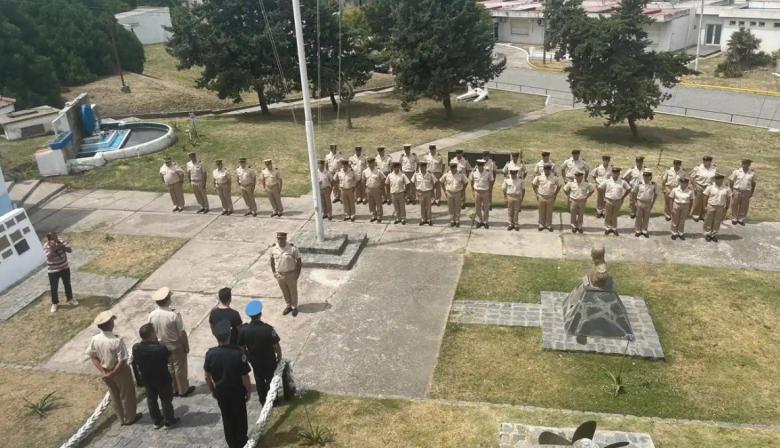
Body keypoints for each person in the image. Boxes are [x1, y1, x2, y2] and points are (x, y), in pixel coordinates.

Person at [86, 311, 141, 426]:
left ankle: (121, 419)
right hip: (120, 372)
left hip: (106, 371)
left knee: (115, 396)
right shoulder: (116, 341)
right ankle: (130, 417)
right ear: (110, 324)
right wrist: (113, 373)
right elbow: (122, 360)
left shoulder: (95, 339)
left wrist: (103, 371)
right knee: (127, 395)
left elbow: (93, 357)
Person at [205, 320, 252, 448]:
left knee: (227, 419)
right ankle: (242, 442)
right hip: (236, 392)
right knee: (240, 418)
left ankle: (232, 443)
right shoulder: (237, 353)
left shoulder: (210, 354)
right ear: (230, 335)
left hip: (221, 393)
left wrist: (213, 391)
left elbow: (207, 377)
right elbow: (245, 377)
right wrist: (248, 391)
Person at [147, 287, 195, 397]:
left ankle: (173, 389)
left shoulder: (152, 315)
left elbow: (151, 331)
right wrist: (186, 346)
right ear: (167, 300)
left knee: (169, 367)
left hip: (161, 346)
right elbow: (181, 333)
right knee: (179, 368)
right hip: (175, 345)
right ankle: (183, 390)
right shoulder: (173, 315)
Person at [131, 323, 180, 430]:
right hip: (162, 379)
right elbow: (169, 359)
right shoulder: (160, 348)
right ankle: (169, 421)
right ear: (151, 334)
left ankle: (157, 421)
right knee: (166, 400)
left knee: (151, 400)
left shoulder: (136, 348)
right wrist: (160, 344)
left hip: (147, 379)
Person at [238, 300, 282, 405]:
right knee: (271, 379)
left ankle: (262, 400)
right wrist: (279, 356)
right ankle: (273, 400)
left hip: (255, 361)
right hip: (269, 360)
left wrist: (247, 357)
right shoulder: (268, 329)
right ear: (260, 314)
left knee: (259, 379)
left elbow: (242, 347)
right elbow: (276, 346)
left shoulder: (243, 330)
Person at [43, 232, 77, 313]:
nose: (55, 239)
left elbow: (70, 250)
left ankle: (70, 299)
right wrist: (54, 248)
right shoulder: (46, 246)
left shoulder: (61, 241)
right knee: (54, 288)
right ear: (49, 240)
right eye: (53, 238)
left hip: (64, 267)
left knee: (67, 284)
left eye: (56, 237)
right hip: (53, 270)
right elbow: (49, 257)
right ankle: (55, 303)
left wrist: (62, 246)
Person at [270, 232, 302, 317]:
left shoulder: (292, 248)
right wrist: (274, 273)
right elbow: (272, 261)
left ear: (285, 238)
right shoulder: (274, 248)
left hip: (290, 274)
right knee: (285, 291)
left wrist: (297, 275)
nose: (280, 240)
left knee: (293, 292)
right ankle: (288, 305)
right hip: (280, 275)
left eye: (281, 238)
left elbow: (299, 262)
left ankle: (294, 307)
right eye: (278, 238)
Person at [598, 167, 631, 236]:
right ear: (612, 173)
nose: (615, 174)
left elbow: (628, 189)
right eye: (614, 173)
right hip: (609, 200)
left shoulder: (622, 182)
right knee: (608, 215)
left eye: (617, 173)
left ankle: (614, 228)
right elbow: (600, 188)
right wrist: (604, 196)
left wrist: (623, 197)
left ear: (619, 173)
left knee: (615, 215)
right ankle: (607, 228)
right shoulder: (607, 181)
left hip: (618, 201)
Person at [702, 173, 732, 242]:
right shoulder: (710, 187)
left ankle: (714, 234)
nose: (719, 180)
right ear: (715, 179)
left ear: (722, 179)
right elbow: (705, 197)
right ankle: (707, 234)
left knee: (717, 221)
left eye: (720, 179)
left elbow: (728, 198)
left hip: (720, 207)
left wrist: (727, 206)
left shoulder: (726, 188)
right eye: (717, 179)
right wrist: (704, 206)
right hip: (711, 206)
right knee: (708, 220)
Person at [532, 164, 560, 232]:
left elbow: (559, 186)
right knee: (541, 211)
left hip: (550, 197)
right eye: (545, 169)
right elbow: (533, 184)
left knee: (549, 211)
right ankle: (541, 224)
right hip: (541, 196)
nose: (547, 171)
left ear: (550, 170)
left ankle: (548, 225)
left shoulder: (554, 177)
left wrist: (555, 194)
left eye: (548, 169)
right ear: (544, 169)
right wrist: (536, 193)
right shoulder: (539, 176)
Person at [689, 155, 717, 222]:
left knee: (707, 202)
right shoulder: (698, 168)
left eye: (707, 161)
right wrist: (694, 187)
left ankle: (704, 215)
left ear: (710, 161)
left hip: (709, 187)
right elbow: (692, 177)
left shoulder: (714, 168)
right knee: (698, 201)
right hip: (699, 186)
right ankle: (696, 215)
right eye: (704, 160)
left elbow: (715, 178)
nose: (705, 162)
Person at [729, 158, 757, 226]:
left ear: (749, 165)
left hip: (746, 191)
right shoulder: (737, 171)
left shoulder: (752, 173)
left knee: (744, 205)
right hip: (737, 190)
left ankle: (741, 219)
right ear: (742, 164)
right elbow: (731, 181)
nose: (746, 165)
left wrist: (751, 192)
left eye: (747, 164)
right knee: (735, 204)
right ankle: (734, 218)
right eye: (744, 163)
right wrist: (732, 190)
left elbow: (753, 183)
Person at [441, 161, 468, 227]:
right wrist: (444, 191)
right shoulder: (447, 174)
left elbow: (466, 182)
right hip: (449, 192)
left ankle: (457, 220)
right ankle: (452, 220)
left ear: (456, 167)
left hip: (458, 192)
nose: (453, 169)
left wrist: (463, 190)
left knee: (457, 207)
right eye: (451, 167)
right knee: (450, 207)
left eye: (454, 167)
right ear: (450, 167)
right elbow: (441, 181)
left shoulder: (460, 174)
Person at [633, 170, 657, 238]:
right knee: (638, 217)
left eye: (648, 176)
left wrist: (653, 203)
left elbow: (655, 194)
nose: (646, 177)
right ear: (643, 176)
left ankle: (644, 230)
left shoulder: (653, 184)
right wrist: (635, 202)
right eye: (645, 176)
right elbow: (634, 192)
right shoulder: (639, 183)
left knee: (646, 217)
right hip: (640, 202)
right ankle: (638, 230)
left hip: (648, 203)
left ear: (650, 177)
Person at [470, 159, 493, 229]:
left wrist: (489, 190)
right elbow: (471, 181)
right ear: (477, 165)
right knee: (477, 207)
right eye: (479, 165)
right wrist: (473, 191)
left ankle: (485, 221)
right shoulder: (474, 172)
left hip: (485, 191)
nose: (480, 166)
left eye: (481, 165)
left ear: (483, 165)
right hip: (477, 191)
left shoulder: (488, 172)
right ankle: (479, 221)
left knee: (486, 207)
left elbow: (491, 181)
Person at [412, 161, 436, 226]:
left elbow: (435, 182)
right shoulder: (416, 174)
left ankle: (429, 219)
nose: (422, 168)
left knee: (428, 206)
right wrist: (416, 190)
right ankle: (423, 219)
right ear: (420, 167)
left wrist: (432, 190)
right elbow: (412, 182)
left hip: (428, 192)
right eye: (421, 166)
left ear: (426, 167)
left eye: (424, 166)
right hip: (420, 192)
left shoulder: (430, 174)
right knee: (422, 206)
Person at [362, 158, 386, 223]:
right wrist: (365, 189)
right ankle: (373, 215)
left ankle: (379, 215)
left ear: (374, 163)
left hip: (376, 189)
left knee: (378, 203)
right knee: (371, 203)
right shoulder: (365, 171)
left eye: (372, 163)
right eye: (369, 163)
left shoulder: (378, 171)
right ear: (367, 163)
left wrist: (381, 188)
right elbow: (363, 180)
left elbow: (383, 179)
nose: (370, 164)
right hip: (369, 189)